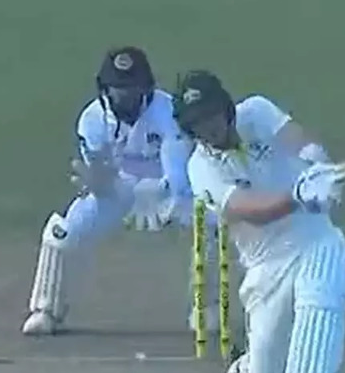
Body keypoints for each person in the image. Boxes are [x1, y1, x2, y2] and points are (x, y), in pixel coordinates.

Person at [173, 69, 345, 373]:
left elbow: (296, 138)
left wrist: (319, 166)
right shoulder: (199, 167)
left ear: (226, 108)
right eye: (197, 124)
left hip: (316, 240)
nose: (207, 129)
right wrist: (297, 196)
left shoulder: (256, 111)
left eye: (211, 117)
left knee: (321, 298)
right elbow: (249, 209)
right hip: (266, 265)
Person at [22, 46, 219, 336]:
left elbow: (177, 169)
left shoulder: (170, 111)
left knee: (209, 224)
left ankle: (205, 308)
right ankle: (46, 310)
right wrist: (103, 186)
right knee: (62, 234)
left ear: (145, 86)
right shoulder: (92, 120)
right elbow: (99, 178)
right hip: (118, 190)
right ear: (105, 87)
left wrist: (163, 190)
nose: (124, 95)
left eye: (131, 87)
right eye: (117, 88)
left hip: (167, 190)